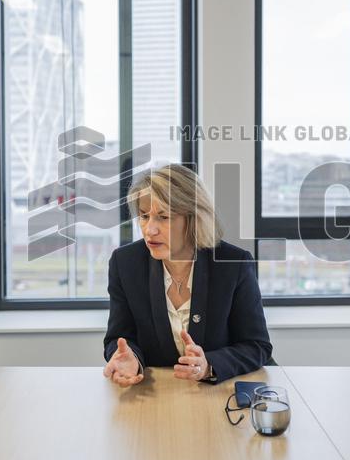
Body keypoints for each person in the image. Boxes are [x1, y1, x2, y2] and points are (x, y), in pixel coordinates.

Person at [103, 164, 272, 386]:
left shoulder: (234, 264)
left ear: (194, 219)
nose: (149, 230)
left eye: (163, 217)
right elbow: (119, 338)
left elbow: (256, 345)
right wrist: (129, 358)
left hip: (219, 393)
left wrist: (209, 365)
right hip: (157, 393)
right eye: (144, 216)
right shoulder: (125, 263)